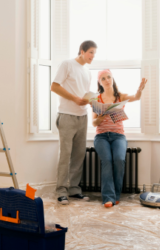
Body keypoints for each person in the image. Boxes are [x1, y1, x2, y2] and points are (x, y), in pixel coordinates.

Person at [51, 40, 97, 205]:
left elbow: (83, 94)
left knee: (79, 154)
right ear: (82, 51)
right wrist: (75, 99)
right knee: (65, 155)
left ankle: (74, 190)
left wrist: (89, 100)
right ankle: (61, 191)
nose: (93, 56)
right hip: (67, 115)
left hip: (82, 116)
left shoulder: (87, 72)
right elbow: (54, 87)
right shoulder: (67, 64)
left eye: (94, 53)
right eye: (91, 52)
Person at [92, 69, 147, 208]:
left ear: (112, 79)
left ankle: (116, 195)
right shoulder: (96, 99)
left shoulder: (120, 96)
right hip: (101, 136)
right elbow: (93, 123)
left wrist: (139, 90)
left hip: (118, 136)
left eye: (108, 77)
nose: (107, 80)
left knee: (119, 160)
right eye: (103, 78)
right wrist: (100, 117)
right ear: (100, 82)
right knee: (107, 161)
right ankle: (108, 198)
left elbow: (136, 97)